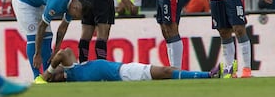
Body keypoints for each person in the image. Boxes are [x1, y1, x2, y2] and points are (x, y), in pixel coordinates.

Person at [11, 0, 87, 80]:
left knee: (47, 36)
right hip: (24, 0)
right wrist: (37, 54)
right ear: (76, 8)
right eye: (77, 16)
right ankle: (37, 77)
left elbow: (63, 27)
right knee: (34, 36)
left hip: (39, 0)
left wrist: (56, 50)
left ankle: (47, 76)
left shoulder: (76, 0)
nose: (75, 18)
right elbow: (41, 27)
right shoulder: (56, 3)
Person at [35, 47, 218, 83]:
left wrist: (48, 72)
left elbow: (64, 52)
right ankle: (208, 75)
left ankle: (208, 75)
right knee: (166, 71)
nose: (55, 66)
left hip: (123, 69)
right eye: (54, 70)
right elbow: (61, 54)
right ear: (57, 76)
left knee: (166, 72)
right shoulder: (72, 76)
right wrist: (47, 75)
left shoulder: (72, 68)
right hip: (124, 74)